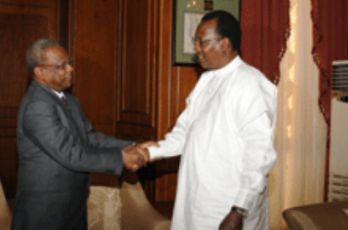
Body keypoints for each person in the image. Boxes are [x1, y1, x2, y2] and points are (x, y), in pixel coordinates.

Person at [143, 10, 277, 230]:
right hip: (196, 200)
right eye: (195, 42)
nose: (196, 50)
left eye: (201, 43)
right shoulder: (206, 80)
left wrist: (238, 210)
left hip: (228, 207)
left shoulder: (251, 85)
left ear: (224, 43)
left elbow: (259, 156)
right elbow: (184, 132)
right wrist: (150, 152)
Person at [12, 38, 148, 230]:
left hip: (72, 203)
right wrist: (120, 158)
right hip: (45, 210)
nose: (70, 69)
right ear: (40, 72)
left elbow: (91, 137)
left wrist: (132, 145)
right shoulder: (37, 106)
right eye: (61, 66)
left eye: (69, 63)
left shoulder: (69, 100)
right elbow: (70, 153)